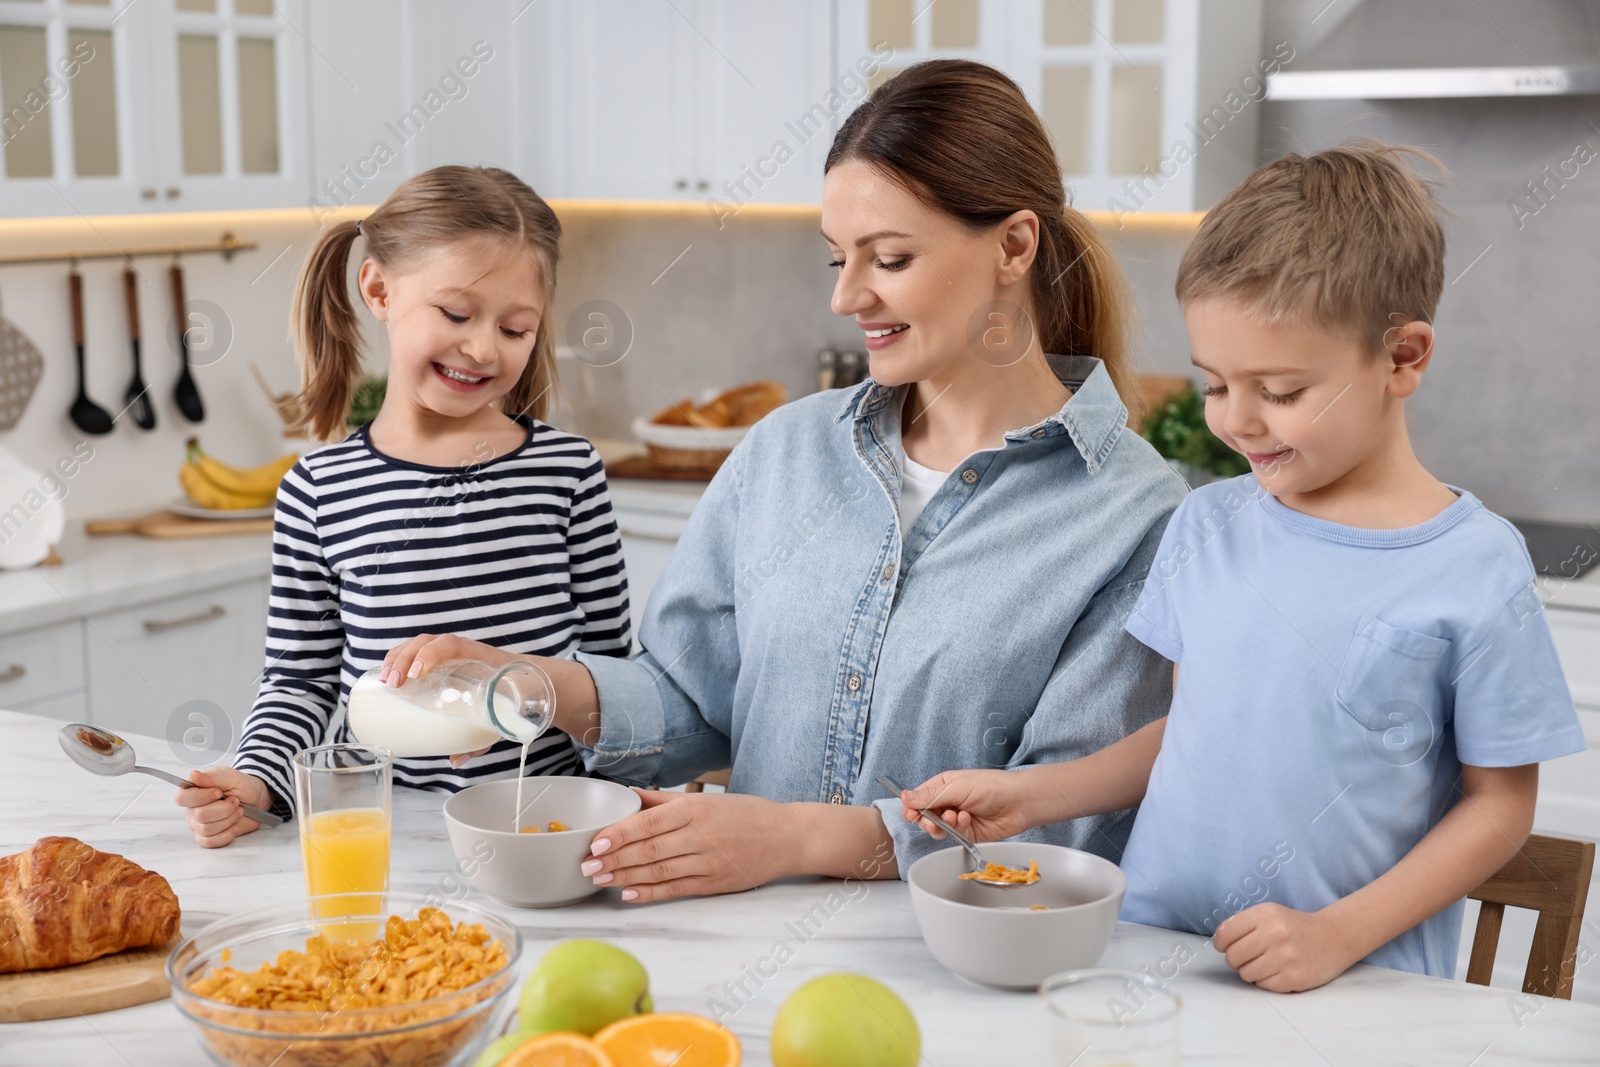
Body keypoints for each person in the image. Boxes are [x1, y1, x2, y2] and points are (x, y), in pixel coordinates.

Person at [382, 60, 1188, 901]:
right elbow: (691, 701)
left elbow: (1061, 825)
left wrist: (792, 837)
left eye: (891, 258)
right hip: (735, 946)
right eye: (837, 259)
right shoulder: (786, 451)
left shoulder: (1132, 515)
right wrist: (530, 684)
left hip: (954, 981)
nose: (848, 296)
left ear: (1014, 245)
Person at [899, 141, 1585, 992]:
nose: (1239, 422)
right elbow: (1188, 733)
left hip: (1353, 988)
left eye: (1282, 391)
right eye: (1216, 384)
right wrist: (1033, 795)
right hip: (1151, 958)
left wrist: (1336, 934)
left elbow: (1500, 805)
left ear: (1403, 358)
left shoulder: (1474, 565)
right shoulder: (1206, 522)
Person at [175, 166, 630, 847]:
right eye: (455, 314)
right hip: (388, 832)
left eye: (515, 328)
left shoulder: (566, 472)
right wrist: (258, 779)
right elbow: (298, 682)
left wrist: (516, 700)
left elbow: (617, 681)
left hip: (543, 825)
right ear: (379, 289)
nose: (482, 348)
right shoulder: (318, 490)